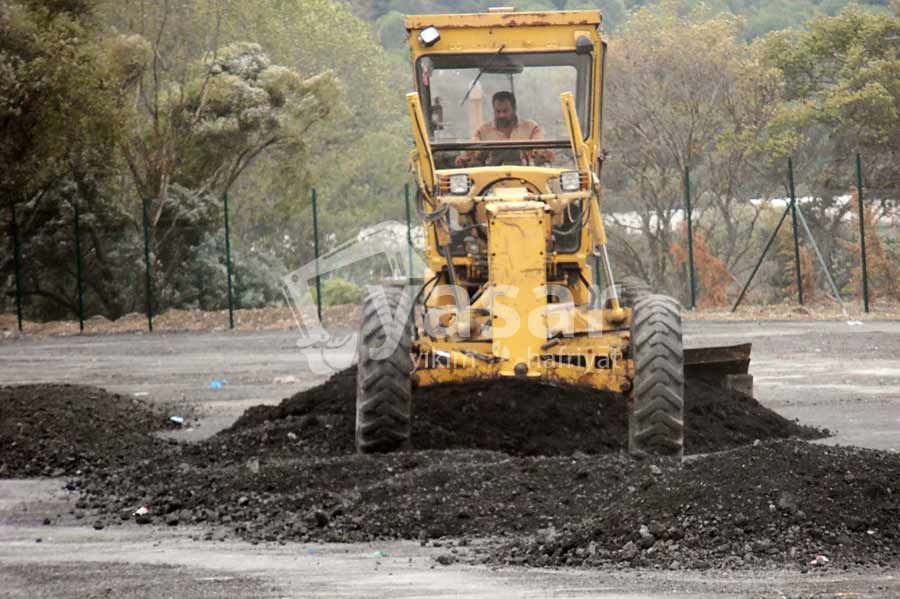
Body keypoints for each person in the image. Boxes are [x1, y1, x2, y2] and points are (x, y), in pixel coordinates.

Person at [454, 91, 553, 167]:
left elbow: (541, 150)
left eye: (505, 111)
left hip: (527, 181)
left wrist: (542, 154)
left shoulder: (531, 128)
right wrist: (463, 160)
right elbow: (470, 154)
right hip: (491, 182)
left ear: (514, 109)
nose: (501, 115)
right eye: (498, 111)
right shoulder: (483, 131)